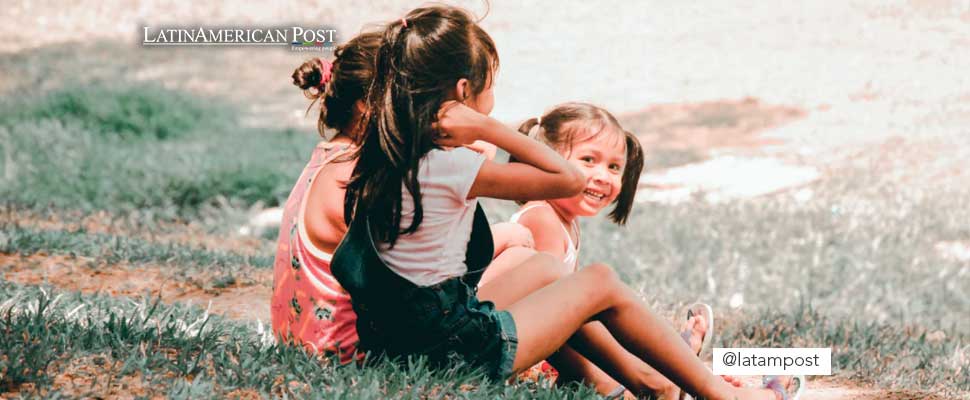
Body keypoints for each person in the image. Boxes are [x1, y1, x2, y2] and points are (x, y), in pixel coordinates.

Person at [331, 5, 803, 399]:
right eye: (489, 83)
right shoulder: (448, 167)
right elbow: (566, 177)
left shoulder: (385, 153)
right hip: (450, 349)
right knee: (598, 281)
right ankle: (723, 395)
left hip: (400, 340)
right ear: (462, 93)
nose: (493, 95)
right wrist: (484, 128)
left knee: (545, 270)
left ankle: (648, 383)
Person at [270, 31, 379, 363]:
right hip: (344, 355)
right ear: (365, 106)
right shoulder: (354, 174)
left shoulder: (330, 155)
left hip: (300, 342)